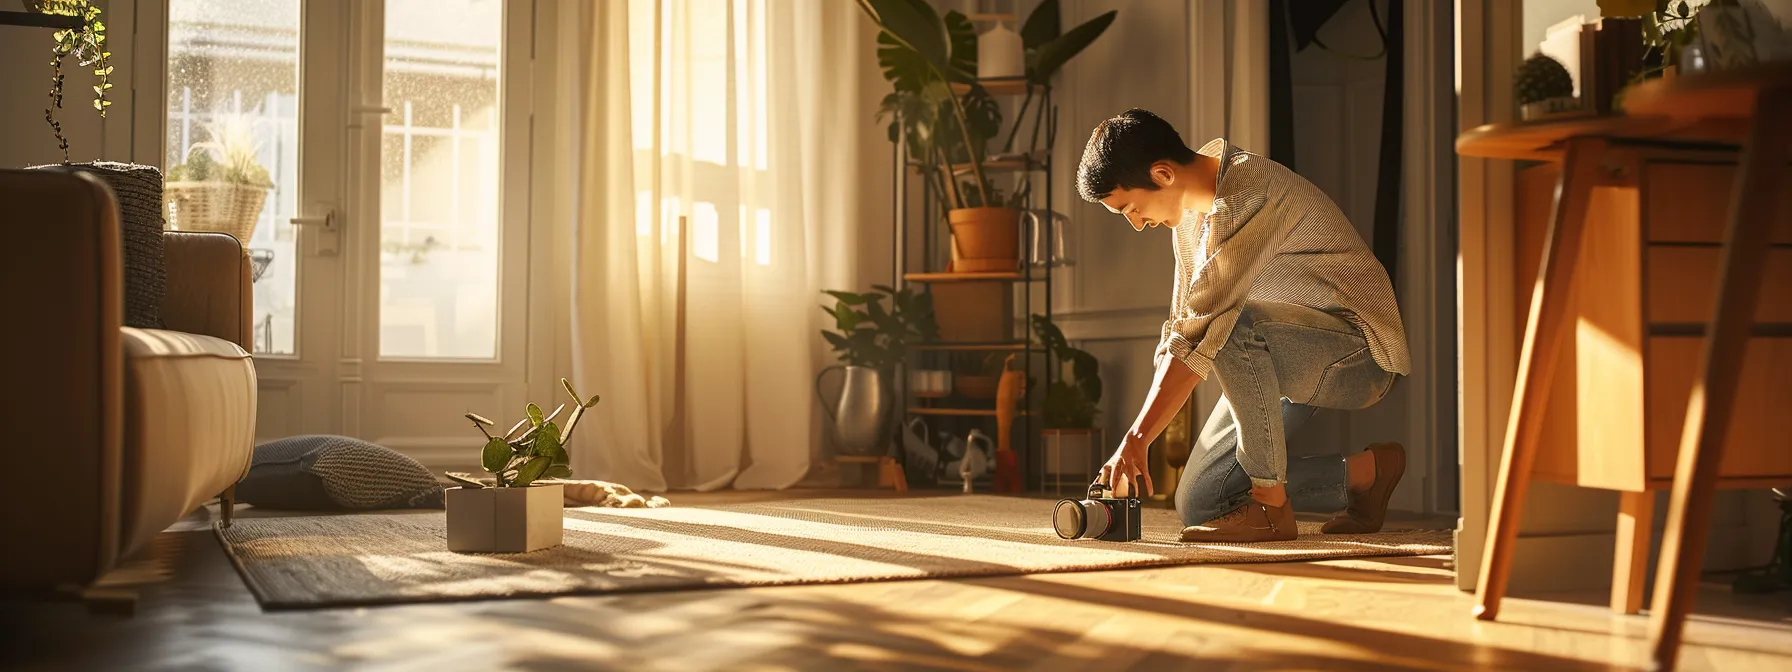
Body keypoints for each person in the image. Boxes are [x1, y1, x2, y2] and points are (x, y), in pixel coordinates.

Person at [1076, 109, 1412, 543]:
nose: (1137, 223)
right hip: (1275, 353)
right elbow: (1183, 329)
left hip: (1360, 356)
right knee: (1201, 500)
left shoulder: (1249, 193)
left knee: (1231, 320)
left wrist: (1137, 438)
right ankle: (1368, 473)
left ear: (1162, 174)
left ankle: (1271, 508)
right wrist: (1137, 438)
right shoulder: (1190, 220)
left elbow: (1210, 325)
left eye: (1130, 209)